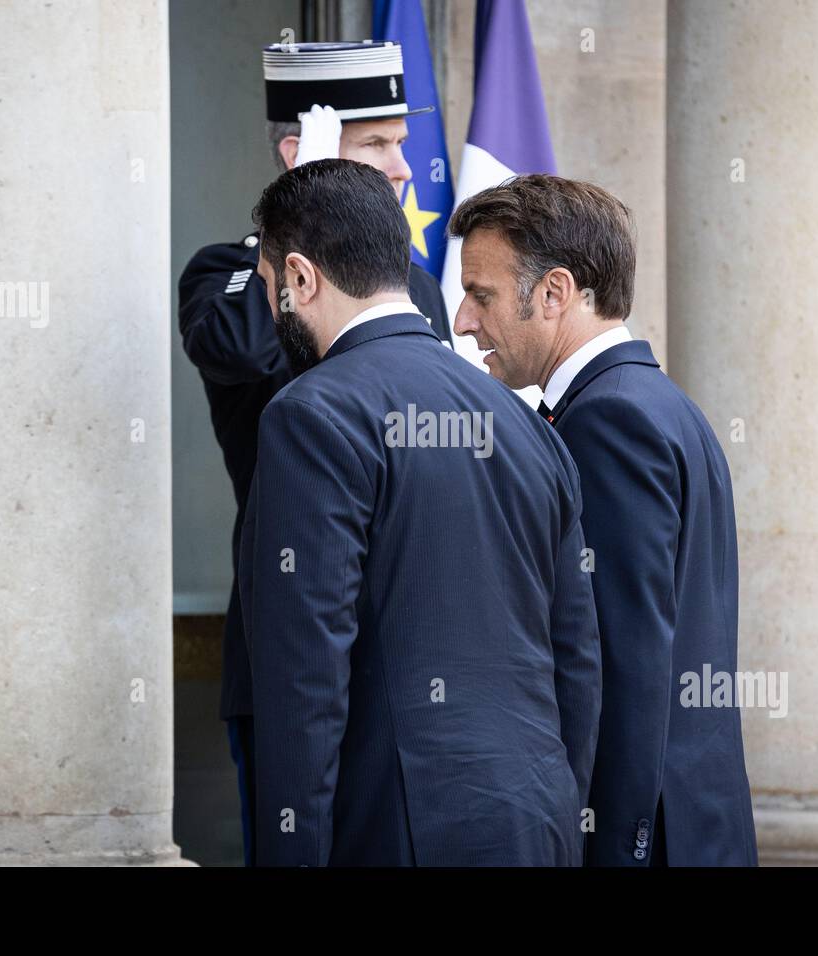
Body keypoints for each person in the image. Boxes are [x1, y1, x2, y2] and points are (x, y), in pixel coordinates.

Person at [240, 159, 601, 866]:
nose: (269, 308)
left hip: (395, 832)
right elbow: (578, 661)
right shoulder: (526, 421)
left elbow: (305, 679)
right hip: (539, 821)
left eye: (268, 287)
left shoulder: (310, 416)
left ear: (302, 278)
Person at [176, 41, 450, 866]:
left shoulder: (418, 284)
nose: (405, 169)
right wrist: (303, 218)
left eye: (402, 142)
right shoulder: (226, 276)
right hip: (294, 656)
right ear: (305, 153)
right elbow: (249, 348)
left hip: (414, 650)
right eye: (377, 144)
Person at [448, 175, 759, 866]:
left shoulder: (607, 421)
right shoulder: (655, 403)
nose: (463, 321)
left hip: (647, 835)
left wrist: (611, 844)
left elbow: (624, 664)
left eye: (482, 295)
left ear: (555, 293)